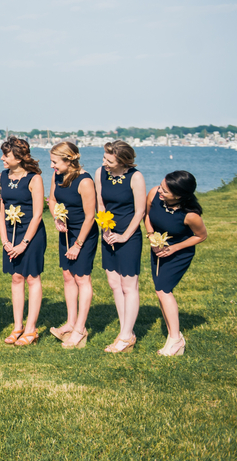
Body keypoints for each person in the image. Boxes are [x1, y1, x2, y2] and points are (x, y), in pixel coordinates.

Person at [144, 171, 207, 356]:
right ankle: (175, 336)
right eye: (161, 186)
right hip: (157, 247)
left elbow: (201, 236)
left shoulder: (190, 215)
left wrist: (175, 248)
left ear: (178, 196)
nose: (159, 191)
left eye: (165, 190)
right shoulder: (154, 193)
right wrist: (151, 237)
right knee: (160, 290)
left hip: (179, 252)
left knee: (164, 290)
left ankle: (175, 339)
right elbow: (147, 215)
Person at [94, 140, 146, 353]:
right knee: (114, 283)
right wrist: (105, 228)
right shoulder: (100, 173)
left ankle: (126, 336)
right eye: (104, 158)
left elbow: (140, 211)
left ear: (123, 161)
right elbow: (100, 203)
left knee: (129, 285)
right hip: (107, 233)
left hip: (129, 235)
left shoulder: (136, 177)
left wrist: (124, 236)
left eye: (109, 160)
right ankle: (126, 331)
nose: (104, 162)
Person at [47, 142, 98, 349]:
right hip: (65, 231)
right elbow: (51, 200)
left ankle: (80, 330)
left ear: (69, 160)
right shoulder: (57, 176)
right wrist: (56, 219)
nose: (52, 166)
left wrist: (78, 244)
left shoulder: (85, 181)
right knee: (68, 276)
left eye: (55, 162)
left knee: (81, 278)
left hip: (83, 234)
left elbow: (90, 216)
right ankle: (70, 322)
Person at [0, 137, 46, 346]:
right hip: (10, 234)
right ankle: (17, 325)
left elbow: (37, 214)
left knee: (31, 278)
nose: (2, 159)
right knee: (16, 278)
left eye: (6, 155)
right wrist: (5, 240)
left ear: (18, 157)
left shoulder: (34, 179)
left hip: (31, 235)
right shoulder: (2, 177)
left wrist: (24, 243)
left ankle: (31, 329)